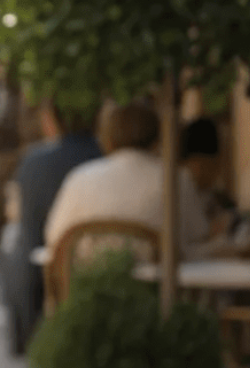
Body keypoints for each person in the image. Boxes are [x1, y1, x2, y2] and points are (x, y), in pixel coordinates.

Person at [44, 100, 208, 256]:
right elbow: (198, 235)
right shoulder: (176, 178)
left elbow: (54, 238)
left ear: (107, 139)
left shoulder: (79, 178)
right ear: (157, 140)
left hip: (88, 284)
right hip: (155, 284)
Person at [7, 101, 101, 354]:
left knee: (15, 239)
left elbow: (23, 217)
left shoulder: (34, 162)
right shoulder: (102, 156)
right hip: (95, 267)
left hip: (46, 273)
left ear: (51, 121)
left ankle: (25, 336)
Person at [180, 116, 237, 240]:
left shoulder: (218, 199)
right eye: (215, 164)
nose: (218, 171)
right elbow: (202, 237)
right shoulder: (184, 187)